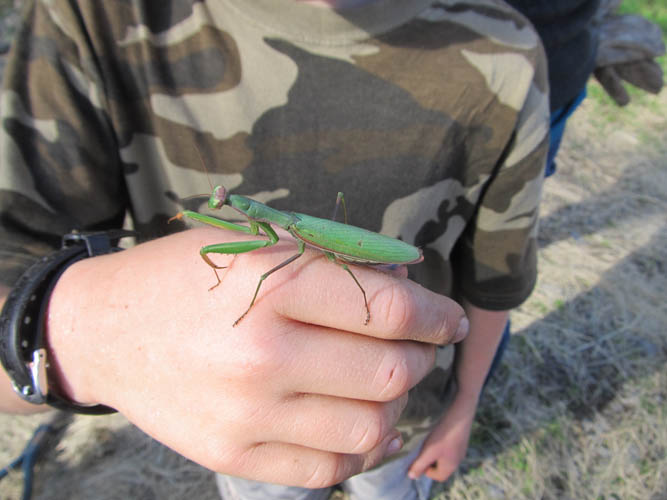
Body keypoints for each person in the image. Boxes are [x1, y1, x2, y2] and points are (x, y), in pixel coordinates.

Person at [0, 0, 548, 498]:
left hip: (408, 406)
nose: (219, 204)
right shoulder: (88, 18)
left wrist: (463, 404)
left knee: (285, 270)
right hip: (264, 439)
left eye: (222, 201)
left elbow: (493, 285)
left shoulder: (503, 51)